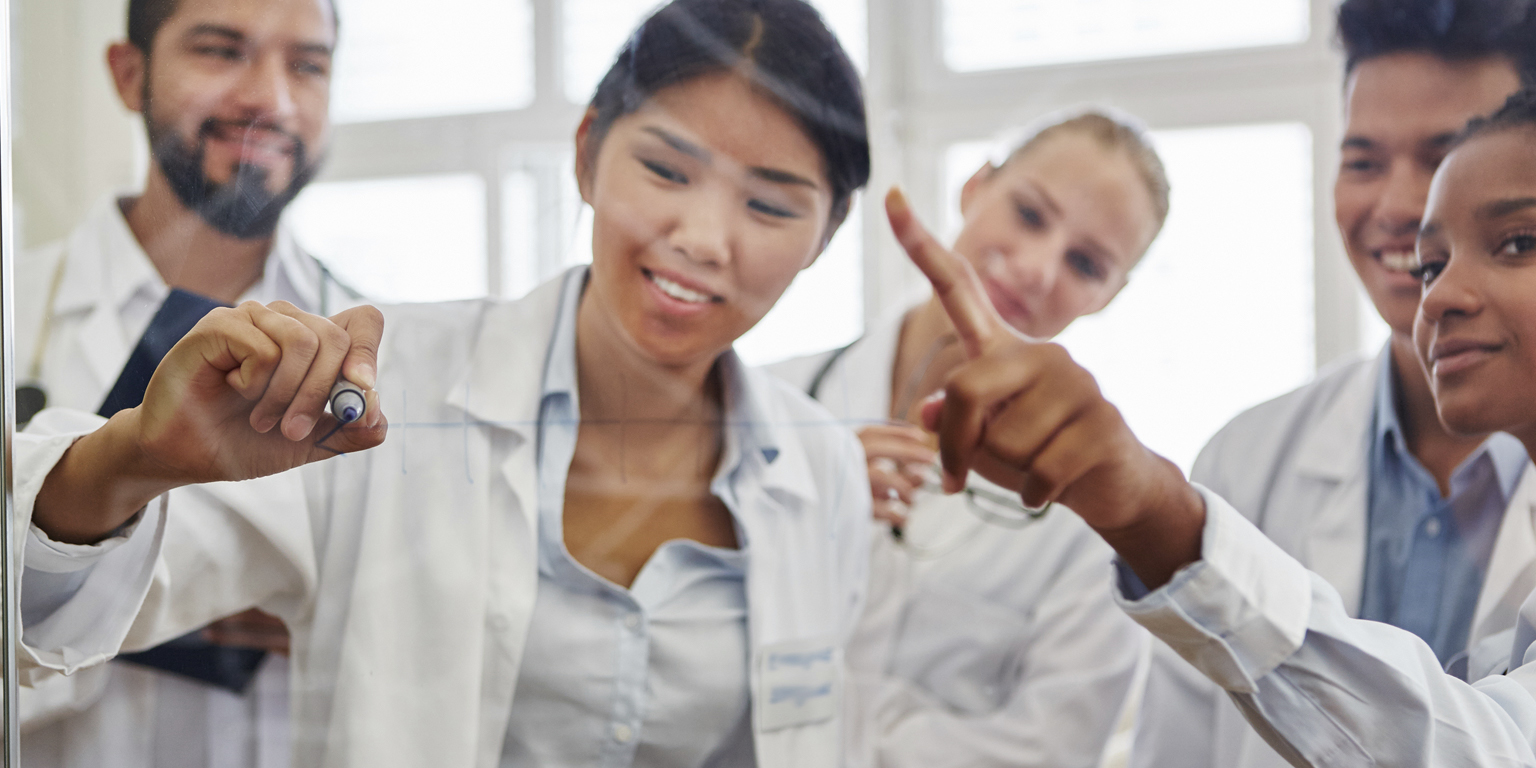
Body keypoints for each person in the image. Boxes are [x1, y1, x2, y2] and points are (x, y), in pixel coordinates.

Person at [9, 0, 880, 766]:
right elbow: (50, 595)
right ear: (587, 154)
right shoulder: (386, 391)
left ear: (828, 232)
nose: (704, 237)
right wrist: (135, 458)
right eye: (666, 169)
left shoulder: (823, 471)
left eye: (770, 206)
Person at [877, 84, 1536, 766]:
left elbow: (1487, 749)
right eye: (1434, 265)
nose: (1441, 295)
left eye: (1519, 242)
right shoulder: (1247, 455)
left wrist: (1163, 522)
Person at [1131, 1, 1536, 765]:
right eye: (1363, 161)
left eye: (1448, 153)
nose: (1396, 208)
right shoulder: (1248, 458)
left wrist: (1159, 523)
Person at [14, 0, 356, 766]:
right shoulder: (16, 309)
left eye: (307, 64)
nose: (269, 98)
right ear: (128, 73)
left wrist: (355, 627)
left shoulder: (382, 356)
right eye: (220, 50)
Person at [772, 110, 1165, 767]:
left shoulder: (1089, 523)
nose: (1038, 269)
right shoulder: (770, 408)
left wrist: (817, 731)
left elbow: (1050, 752)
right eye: (1031, 215)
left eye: (1086, 263)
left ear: (1110, 295)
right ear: (976, 186)